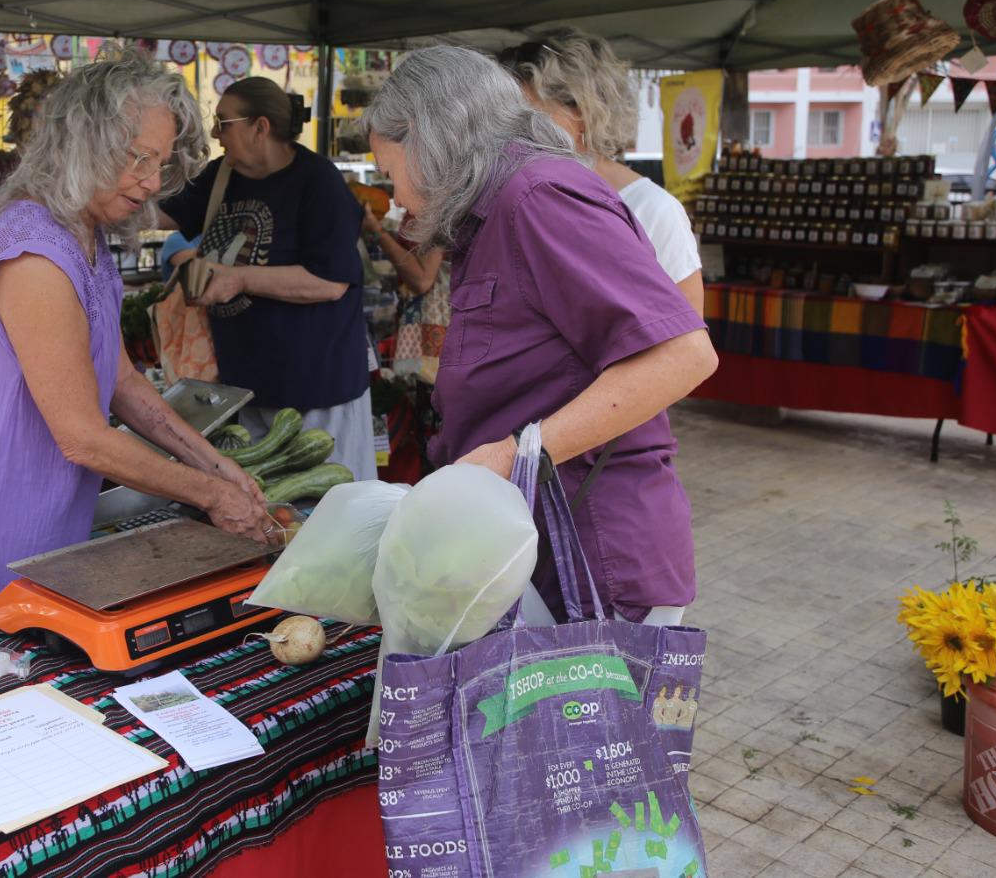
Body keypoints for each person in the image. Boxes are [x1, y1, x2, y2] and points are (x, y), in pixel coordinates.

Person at [0, 54, 266, 633]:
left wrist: (216, 466)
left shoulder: (86, 235)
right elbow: (83, 436)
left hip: (34, 508)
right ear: (85, 143)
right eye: (138, 158)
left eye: (159, 164)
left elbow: (122, 380)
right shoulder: (35, 252)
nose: (151, 182)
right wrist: (209, 494)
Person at [362, 46, 718, 625]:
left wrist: (513, 455)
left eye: (389, 173)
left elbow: (682, 355)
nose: (395, 198)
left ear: (428, 140)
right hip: (542, 549)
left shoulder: (537, 197)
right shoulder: (492, 209)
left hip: (593, 559)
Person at [158, 78, 374, 481]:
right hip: (246, 387)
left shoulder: (317, 182)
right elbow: (160, 212)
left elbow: (330, 282)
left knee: (326, 504)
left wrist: (239, 279)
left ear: (260, 127)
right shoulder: (223, 176)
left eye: (224, 123)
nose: (216, 134)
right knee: (265, 506)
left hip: (316, 391)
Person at [499, 29, 704, 314]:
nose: (518, 132)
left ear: (584, 111)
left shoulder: (653, 210)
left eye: (532, 116)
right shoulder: (520, 199)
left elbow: (689, 335)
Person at [361, 205, 449, 382]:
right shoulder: (421, 212)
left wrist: (377, 231)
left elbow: (422, 281)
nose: (396, 201)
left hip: (435, 317)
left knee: (431, 383)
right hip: (422, 320)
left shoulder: (435, 212)